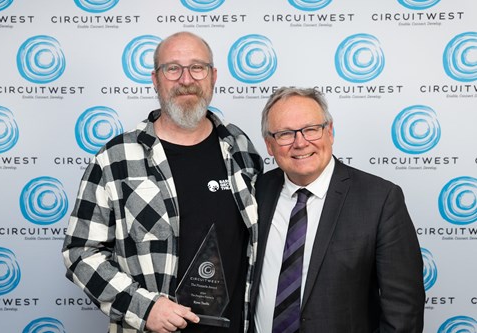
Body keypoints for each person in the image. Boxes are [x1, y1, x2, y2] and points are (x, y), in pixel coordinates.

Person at [62, 31, 263, 333]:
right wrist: (144, 308)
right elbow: (79, 252)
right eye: (173, 68)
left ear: (213, 76)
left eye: (198, 67)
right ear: (155, 79)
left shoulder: (241, 149)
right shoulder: (116, 158)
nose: (186, 79)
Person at [250, 87, 425, 332]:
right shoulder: (257, 192)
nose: (300, 143)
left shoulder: (380, 199)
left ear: (329, 132)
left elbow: (404, 310)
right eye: (285, 134)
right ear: (270, 145)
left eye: (311, 129)